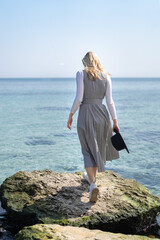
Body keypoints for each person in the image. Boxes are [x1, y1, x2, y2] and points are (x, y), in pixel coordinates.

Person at [67, 52, 120, 202]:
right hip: (102, 114)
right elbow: (110, 102)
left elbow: (79, 98)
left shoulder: (80, 74)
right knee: (97, 147)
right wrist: (115, 121)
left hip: (86, 112)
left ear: (85, 62)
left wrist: (71, 114)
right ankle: (91, 179)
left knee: (87, 148)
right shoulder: (106, 77)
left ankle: (92, 184)